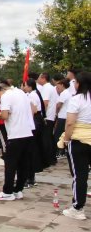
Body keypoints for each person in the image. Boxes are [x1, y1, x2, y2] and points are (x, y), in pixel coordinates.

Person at [0, 82, 35, 201]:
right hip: (27, 132)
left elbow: (5, 116)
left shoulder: (6, 96)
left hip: (15, 134)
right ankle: (18, 190)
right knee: (23, 164)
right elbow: (31, 109)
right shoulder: (21, 93)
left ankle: (7, 192)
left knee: (10, 164)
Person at [61, 71, 91, 220]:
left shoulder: (77, 99)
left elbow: (70, 122)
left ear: (79, 84)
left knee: (79, 175)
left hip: (79, 140)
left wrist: (66, 139)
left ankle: (78, 208)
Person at [22, 78, 46, 187]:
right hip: (37, 121)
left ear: (30, 86)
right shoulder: (34, 94)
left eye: (25, 85)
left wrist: (28, 123)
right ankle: (30, 177)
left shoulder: (32, 95)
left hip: (35, 122)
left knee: (31, 150)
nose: (24, 87)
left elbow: (34, 110)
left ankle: (30, 178)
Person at [55, 79, 73, 160]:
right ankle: (63, 151)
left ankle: (59, 152)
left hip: (62, 117)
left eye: (58, 86)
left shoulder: (64, 93)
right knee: (63, 134)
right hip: (66, 116)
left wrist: (56, 112)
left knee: (58, 135)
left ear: (62, 85)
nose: (57, 88)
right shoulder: (68, 93)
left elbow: (59, 105)